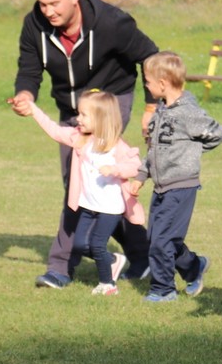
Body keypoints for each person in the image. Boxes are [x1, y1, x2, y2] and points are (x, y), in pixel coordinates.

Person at [8, 0, 158, 289]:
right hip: (72, 109)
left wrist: (150, 107)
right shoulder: (34, 25)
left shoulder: (111, 22)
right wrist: (25, 95)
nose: (47, 11)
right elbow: (29, 68)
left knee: (80, 184)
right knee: (92, 186)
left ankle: (60, 268)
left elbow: (150, 56)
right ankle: (141, 253)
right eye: (43, 4)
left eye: (54, 4)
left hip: (109, 103)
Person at [19, 90, 145, 296]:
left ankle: (108, 285)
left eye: (84, 115)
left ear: (101, 118)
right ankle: (113, 260)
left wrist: (116, 170)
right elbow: (54, 130)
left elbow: (135, 165)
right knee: (79, 244)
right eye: (79, 113)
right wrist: (33, 110)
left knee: (96, 244)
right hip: (88, 205)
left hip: (110, 208)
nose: (78, 118)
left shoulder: (116, 145)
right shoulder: (79, 138)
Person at [139, 52, 222, 303]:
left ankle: (163, 289)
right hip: (160, 186)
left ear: (163, 83)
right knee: (158, 238)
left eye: (147, 80)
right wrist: (140, 175)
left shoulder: (188, 112)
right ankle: (194, 267)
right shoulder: (160, 111)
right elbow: (154, 149)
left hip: (180, 186)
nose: (145, 85)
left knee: (162, 241)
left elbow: (219, 133)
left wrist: (191, 154)